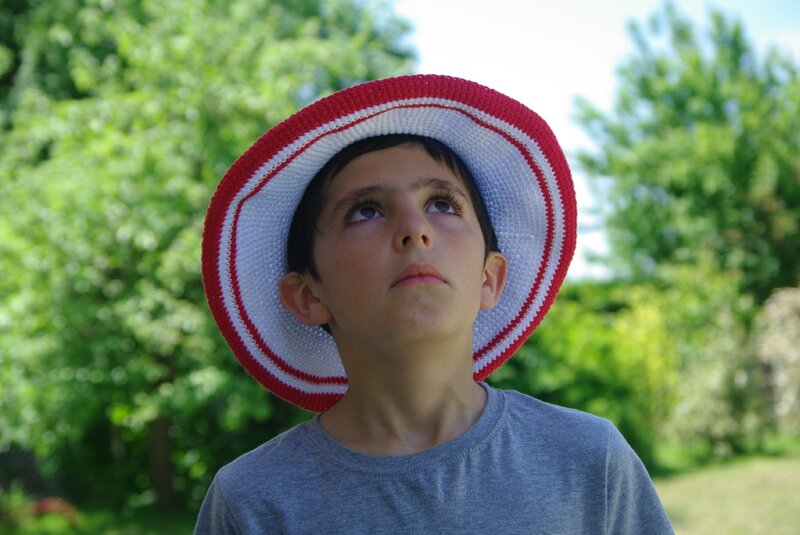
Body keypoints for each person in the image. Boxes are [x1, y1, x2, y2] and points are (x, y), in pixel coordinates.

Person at [196, 75, 674, 534]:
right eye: (366, 211)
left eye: (442, 204)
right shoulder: (250, 502)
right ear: (308, 295)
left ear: (490, 279)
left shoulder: (590, 460)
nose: (415, 229)